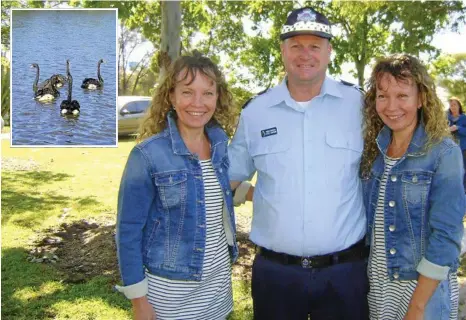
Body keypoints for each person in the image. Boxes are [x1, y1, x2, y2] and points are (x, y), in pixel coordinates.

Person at [229, 7, 369, 320]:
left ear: (329, 51)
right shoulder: (255, 112)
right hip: (276, 276)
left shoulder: (360, 106)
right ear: (282, 50)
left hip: (345, 273)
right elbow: (231, 178)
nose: (305, 54)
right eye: (296, 45)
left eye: (314, 46)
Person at [115, 52, 239, 320]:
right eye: (187, 92)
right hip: (169, 300)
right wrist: (139, 300)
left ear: (218, 98)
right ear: (171, 97)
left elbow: (217, 192)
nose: (198, 102)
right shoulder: (147, 155)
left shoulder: (220, 145)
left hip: (218, 293)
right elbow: (128, 232)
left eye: (208, 93)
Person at [360, 53, 465, 320]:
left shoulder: (443, 153)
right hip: (379, 288)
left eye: (402, 96)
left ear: (420, 98)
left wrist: (417, 307)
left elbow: (447, 235)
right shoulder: (374, 153)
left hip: (422, 293)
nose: (391, 105)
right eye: (382, 96)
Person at [447, 96, 466, 192]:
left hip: (463, 149)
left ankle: (463, 190)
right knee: (452, 169)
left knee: (463, 169)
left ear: (459, 106)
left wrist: (458, 128)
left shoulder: (464, 118)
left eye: (455, 105)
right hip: (450, 148)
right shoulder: (446, 118)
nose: (453, 107)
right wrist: (447, 130)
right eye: (451, 105)